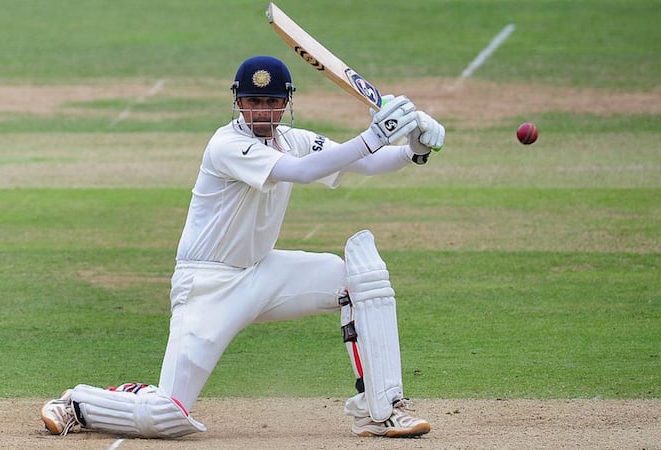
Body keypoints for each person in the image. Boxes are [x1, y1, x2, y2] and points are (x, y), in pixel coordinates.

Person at [41, 55, 445, 439]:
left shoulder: (294, 139)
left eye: (272, 102)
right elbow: (303, 172)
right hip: (207, 285)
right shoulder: (226, 145)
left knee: (361, 279)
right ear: (237, 102)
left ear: (286, 103)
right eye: (253, 101)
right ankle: (78, 404)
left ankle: (381, 411)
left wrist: (413, 150)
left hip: (262, 272)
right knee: (167, 415)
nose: (262, 112)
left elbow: (368, 163)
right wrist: (375, 134)